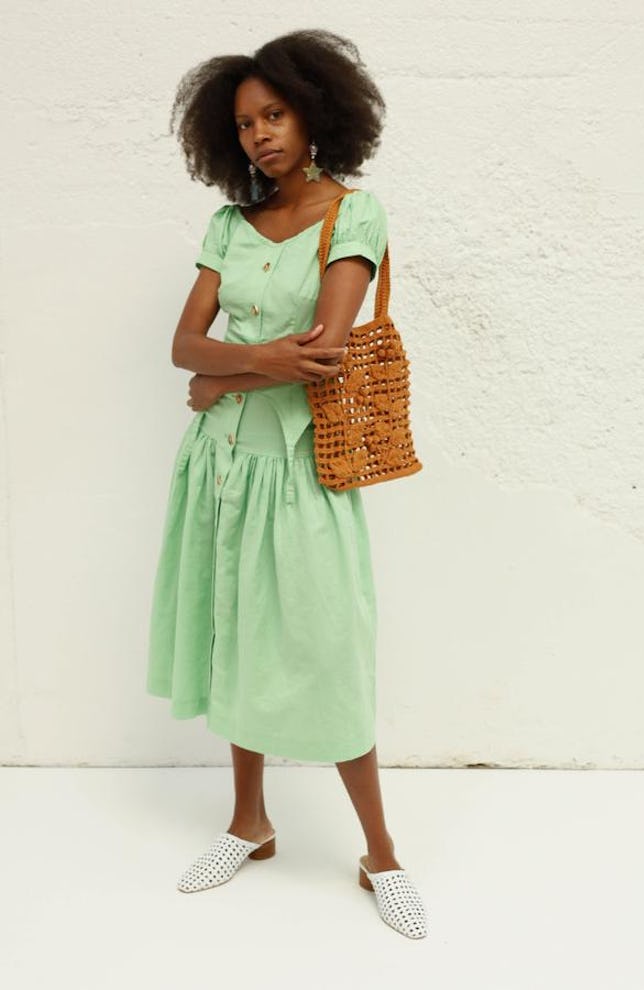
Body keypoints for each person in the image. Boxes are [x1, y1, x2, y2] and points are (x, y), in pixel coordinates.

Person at [146, 29, 427, 939]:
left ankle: (381, 854)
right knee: (236, 635)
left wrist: (223, 378)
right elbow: (180, 344)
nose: (259, 135)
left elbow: (328, 352)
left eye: (274, 114)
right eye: (242, 123)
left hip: (302, 472)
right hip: (220, 466)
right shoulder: (227, 227)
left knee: (326, 653)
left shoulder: (356, 216)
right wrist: (234, 364)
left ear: (315, 114)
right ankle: (250, 823)